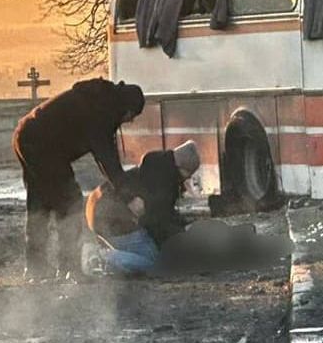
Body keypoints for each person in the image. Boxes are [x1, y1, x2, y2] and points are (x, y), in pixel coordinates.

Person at [13, 78, 145, 280]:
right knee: (69, 202)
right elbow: (107, 158)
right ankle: (69, 267)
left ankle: (36, 268)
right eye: (131, 115)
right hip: (43, 145)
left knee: (39, 203)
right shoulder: (101, 112)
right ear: (126, 107)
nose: (129, 120)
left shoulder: (100, 100)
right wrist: (129, 198)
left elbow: (106, 157)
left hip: (26, 134)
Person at [85, 140, 200, 274]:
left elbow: (160, 213)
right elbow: (155, 220)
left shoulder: (157, 169)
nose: (186, 179)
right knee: (153, 263)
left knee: (142, 254)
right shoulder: (164, 181)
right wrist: (182, 231)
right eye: (188, 174)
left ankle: (103, 255)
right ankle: (102, 258)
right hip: (115, 219)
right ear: (180, 167)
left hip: (98, 211)